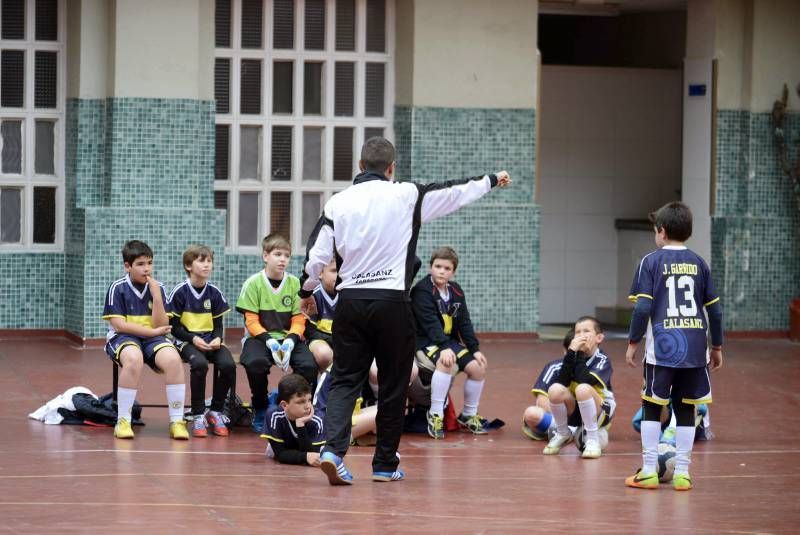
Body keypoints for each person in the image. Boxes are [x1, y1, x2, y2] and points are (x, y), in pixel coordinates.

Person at [299, 136, 511, 485]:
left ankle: (333, 453)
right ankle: (383, 465)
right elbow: (454, 192)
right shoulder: (408, 194)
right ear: (391, 168)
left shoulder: (338, 202)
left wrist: (306, 290)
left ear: (359, 166)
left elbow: (316, 257)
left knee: (344, 380)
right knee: (395, 385)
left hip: (351, 304)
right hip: (392, 305)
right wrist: (491, 179)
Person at [624, 201, 723, 491]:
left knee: (652, 407)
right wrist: (716, 346)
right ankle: (682, 473)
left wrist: (632, 342)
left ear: (662, 232)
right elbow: (715, 312)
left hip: (663, 350)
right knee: (686, 409)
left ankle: (649, 471)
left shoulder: (650, 262)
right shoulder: (700, 263)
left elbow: (642, 308)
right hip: (695, 349)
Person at [102, 240, 188, 440]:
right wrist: (151, 332)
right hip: (123, 337)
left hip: (153, 338)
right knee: (133, 358)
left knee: (174, 360)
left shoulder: (158, 287)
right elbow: (119, 325)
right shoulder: (117, 288)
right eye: (140, 264)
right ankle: (123, 420)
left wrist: (157, 297)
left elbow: (162, 323)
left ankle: (177, 420)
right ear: (127, 266)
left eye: (149, 263)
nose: (146, 268)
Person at [236, 233, 318, 434]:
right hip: (259, 338)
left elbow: (299, 319)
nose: (283, 259)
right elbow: (251, 321)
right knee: (255, 363)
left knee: (308, 365)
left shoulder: (295, 284)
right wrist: (271, 342)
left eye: (286, 255)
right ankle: (261, 406)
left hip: (289, 337)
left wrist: (290, 341)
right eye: (277, 254)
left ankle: (293, 407)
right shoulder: (253, 283)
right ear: (265, 256)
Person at [411, 246, 489, 439]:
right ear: (431, 268)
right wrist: (444, 348)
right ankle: (436, 414)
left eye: (447, 268)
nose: (442, 271)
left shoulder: (456, 291)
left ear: (453, 271)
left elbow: (464, 322)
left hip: (448, 342)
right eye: (438, 266)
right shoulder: (422, 291)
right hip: (425, 342)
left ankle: (468, 415)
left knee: (478, 368)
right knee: (446, 363)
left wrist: (475, 349)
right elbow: (430, 324)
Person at [167, 245, 235, 437]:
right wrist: (193, 338)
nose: (207, 265)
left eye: (209, 261)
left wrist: (217, 338)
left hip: (209, 341)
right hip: (186, 342)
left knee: (229, 365)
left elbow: (218, 325)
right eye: (201, 261)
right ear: (189, 266)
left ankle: (215, 410)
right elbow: (175, 328)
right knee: (200, 364)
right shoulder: (180, 292)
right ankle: (197, 415)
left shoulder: (214, 293)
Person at [542, 316, 615, 459]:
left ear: (599, 338)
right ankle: (563, 432)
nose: (581, 335)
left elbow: (585, 381)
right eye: (578, 332)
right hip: (576, 410)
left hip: (601, 411)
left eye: (586, 331)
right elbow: (562, 382)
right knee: (554, 389)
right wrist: (571, 353)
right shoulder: (572, 357)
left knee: (582, 388)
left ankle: (593, 439)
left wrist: (580, 353)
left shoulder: (602, 360)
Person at [521, 330, 573, 441]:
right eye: (572, 351)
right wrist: (563, 420)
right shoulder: (554, 368)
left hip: (583, 419)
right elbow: (542, 401)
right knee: (531, 414)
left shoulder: (594, 368)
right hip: (559, 419)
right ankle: (568, 431)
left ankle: (570, 432)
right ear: (565, 351)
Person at [264, 374, 326, 466]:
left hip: (305, 448)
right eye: (301, 402)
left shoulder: (318, 419)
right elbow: (280, 454)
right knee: (271, 452)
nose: (308, 406)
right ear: (284, 405)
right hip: (286, 450)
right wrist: (305, 457)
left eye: (309, 400)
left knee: (326, 455)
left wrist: (300, 424)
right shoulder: (274, 415)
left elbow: (313, 457)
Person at [304, 260, 338, 372]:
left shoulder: (348, 295)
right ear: (320, 273)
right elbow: (310, 332)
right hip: (318, 340)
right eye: (334, 271)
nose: (339, 276)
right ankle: (325, 386)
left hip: (343, 340)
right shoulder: (312, 296)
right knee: (324, 353)